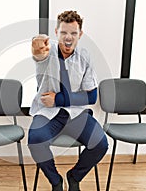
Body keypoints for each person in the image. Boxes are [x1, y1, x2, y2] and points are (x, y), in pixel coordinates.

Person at [28, 10, 108, 191]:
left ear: (80, 34)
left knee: (100, 144)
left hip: (75, 113)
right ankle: (56, 181)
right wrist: (36, 44)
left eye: (73, 33)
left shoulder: (85, 57)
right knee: (35, 141)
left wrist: (59, 100)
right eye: (63, 32)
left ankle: (74, 176)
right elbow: (38, 53)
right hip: (47, 113)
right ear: (56, 33)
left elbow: (91, 96)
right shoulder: (48, 53)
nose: (68, 38)